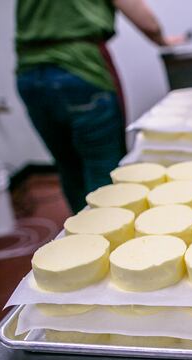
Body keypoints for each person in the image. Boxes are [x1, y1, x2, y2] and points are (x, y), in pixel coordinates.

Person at [16, 0, 183, 212]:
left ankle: (81, 235)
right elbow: (146, 21)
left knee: (68, 166)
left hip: (29, 72)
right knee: (103, 168)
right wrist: (162, 39)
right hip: (79, 68)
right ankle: (104, 237)